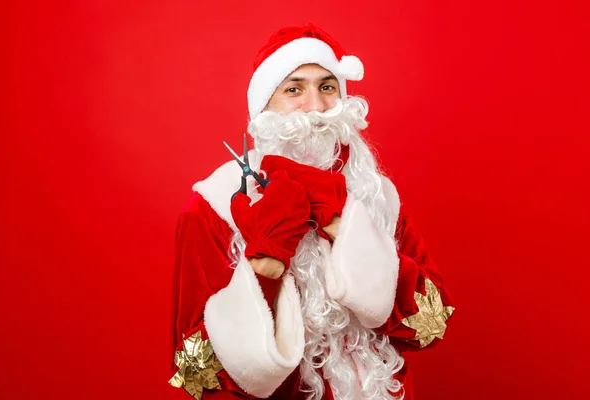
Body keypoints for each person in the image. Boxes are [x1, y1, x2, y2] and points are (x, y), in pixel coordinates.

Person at [169, 23, 456, 400]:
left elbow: (430, 326)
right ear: (264, 106)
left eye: (327, 87)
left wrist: (344, 225)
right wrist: (265, 262)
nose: (317, 107)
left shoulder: (377, 194)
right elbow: (195, 373)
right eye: (293, 89)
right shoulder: (213, 207)